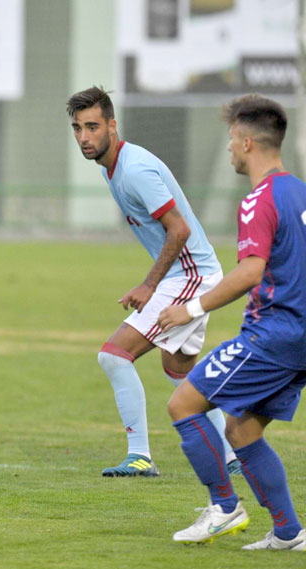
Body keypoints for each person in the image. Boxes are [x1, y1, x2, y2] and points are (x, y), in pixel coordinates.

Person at [159, 94, 306, 550]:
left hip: (273, 335)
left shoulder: (259, 200)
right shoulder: (300, 191)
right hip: (299, 338)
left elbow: (250, 271)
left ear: (247, 143)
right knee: (242, 429)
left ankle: (223, 507)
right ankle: (289, 533)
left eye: (230, 139)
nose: (228, 148)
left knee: (183, 405)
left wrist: (190, 309)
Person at [67, 86, 238, 477]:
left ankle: (140, 456)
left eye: (93, 127)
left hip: (192, 275)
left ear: (112, 125)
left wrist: (149, 285)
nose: (84, 137)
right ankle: (233, 455)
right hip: (192, 273)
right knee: (180, 372)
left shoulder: (135, 170)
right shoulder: (112, 168)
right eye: (77, 128)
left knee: (114, 355)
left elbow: (178, 230)